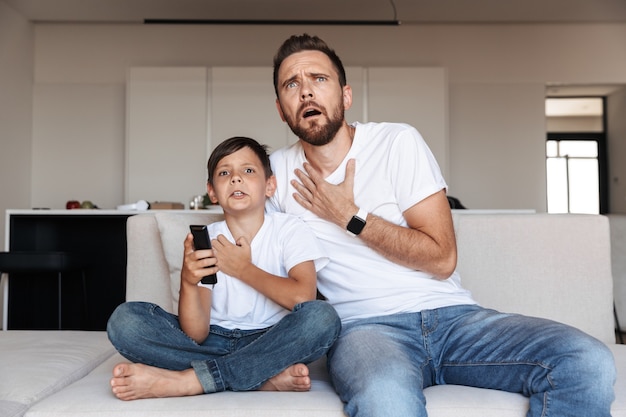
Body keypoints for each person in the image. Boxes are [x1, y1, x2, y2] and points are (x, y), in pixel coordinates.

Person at [267, 33, 616, 417]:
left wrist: (351, 217)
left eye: (319, 79)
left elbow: (442, 258)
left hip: (454, 320)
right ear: (282, 110)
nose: (306, 92)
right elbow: (256, 268)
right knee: (386, 400)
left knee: (586, 360)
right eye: (292, 84)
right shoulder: (276, 176)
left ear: (345, 96)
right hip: (366, 332)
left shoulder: (397, 142)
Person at [106, 136, 341, 400]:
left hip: (271, 339)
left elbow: (303, 298)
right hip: (214, 341)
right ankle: (258, 376)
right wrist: (188, 281)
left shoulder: (290, 230)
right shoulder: (205, 239)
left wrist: (243, 269)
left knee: (322, 318)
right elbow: (197, 333)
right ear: (212, 191)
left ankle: (192, 380)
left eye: (248, 171)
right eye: (224, 172)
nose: (236, 178)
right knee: (124, 321)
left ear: (270, 185)